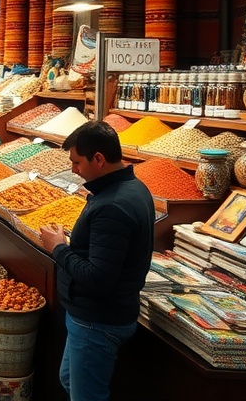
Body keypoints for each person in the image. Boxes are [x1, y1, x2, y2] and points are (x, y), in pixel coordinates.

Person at [39, 121, 154, 401]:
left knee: (87, 395)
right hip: (96, 317)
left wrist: (58, 248)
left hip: (97, 321)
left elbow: (98, 277)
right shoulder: (133, 187)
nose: (73, 170)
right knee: (69, 379)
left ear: (99, 159)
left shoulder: (112, 206)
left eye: (77, 162)